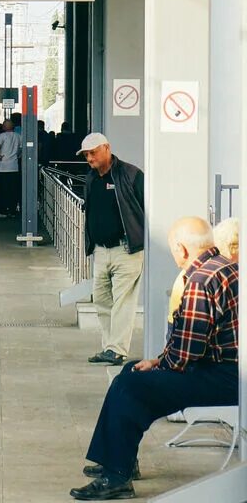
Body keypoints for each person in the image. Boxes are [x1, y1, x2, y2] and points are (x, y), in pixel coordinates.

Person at [71, 217, 237, 500]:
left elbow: (186, 352)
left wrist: (160, 364)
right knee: (131, 371)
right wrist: (157, 362)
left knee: (130, 385)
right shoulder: (227, 268)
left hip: (223, 376)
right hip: (232, 370)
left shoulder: (199, 280)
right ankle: (118, 460)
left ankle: (117, 476)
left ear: (182, 249)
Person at [80, 133, 145, 365]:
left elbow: (146, 208)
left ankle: (117, 349)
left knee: (123, 301)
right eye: (86, 154)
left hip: (126, 249)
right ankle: (110, 347)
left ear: (107, 148)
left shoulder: (130, 174)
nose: (89, 158)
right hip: (101, 250)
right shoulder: (90, 178)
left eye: (93, 152)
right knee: (102, 299)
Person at [0, 120, 20, 217]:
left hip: (2, 168)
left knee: (3, 190)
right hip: (14, 167)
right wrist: (17, 156)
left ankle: (3, 210)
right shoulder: (18, 136)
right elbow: (21, 149)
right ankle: (12, 210)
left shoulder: (1, 136)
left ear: (5, 127)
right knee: (13, 190)